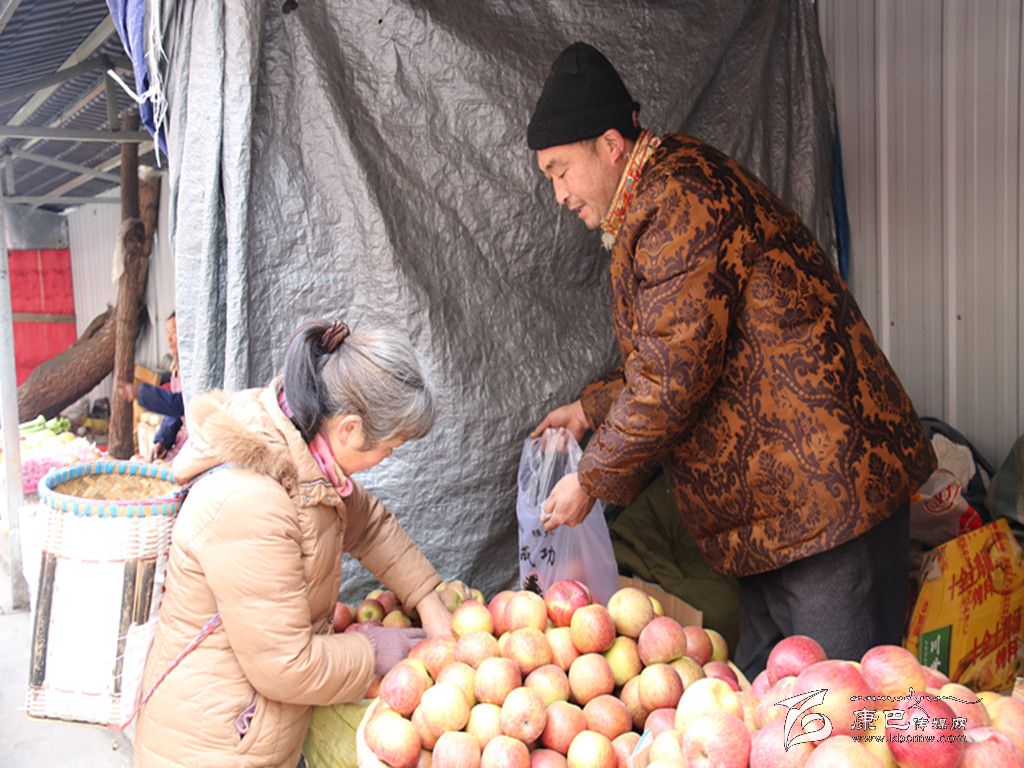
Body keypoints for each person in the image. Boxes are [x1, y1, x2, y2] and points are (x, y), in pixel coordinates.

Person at [526, 42, 937, 677]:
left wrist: (592, 478)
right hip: (778, 507)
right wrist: (588, 409)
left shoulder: (678, 201)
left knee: (844, 701)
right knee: (769, 700)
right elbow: (674, 346)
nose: (557, 194)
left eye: (560, 171)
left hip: (823, 496)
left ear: (609, 145)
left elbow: (672, 376)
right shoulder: (659, 196)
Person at [134, 320, 451, 767]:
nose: (388, 458)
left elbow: (369, 526)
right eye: (390, 446)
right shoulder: (251, 501)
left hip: (256, 735)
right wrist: (382, 649)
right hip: (211, 747)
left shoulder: (304, 465)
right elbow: (286, 666)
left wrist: (427, 598)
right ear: (349, 429)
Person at [116, 312, 185, 461]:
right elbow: (174, 415)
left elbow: (180, 404)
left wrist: (140, 392)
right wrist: (162, 441)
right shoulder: (177, 367)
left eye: (175, 332)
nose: (169, 339)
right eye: (167, 333)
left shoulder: (195, 369)